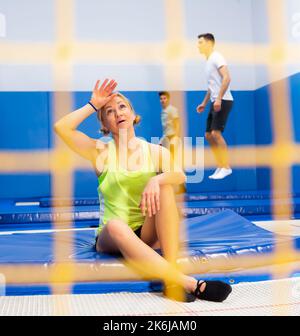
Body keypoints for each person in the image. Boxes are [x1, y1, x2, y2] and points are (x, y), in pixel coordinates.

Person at [54, 78, 232, 302]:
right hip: (113, 236)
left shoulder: (154, 151)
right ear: (104, 123)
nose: (118, 113)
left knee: (165, 185)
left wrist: (155, 181)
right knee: (117, 225)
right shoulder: (99, 151)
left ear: (131, 113)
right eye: (109, 111)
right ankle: (187, 282)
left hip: (148, 233)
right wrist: (93, 104)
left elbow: (179, 175)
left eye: (122, 107)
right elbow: (61, 127)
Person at [197, 33, 234, 180]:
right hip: (215, 101)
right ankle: (220, 165)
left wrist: (218, 98)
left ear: (209, 43)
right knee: (208, 135)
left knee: (216, 134)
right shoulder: (208, 62)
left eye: (200, 42)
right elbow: (211, 86)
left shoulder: (217, 56)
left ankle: (226, 167)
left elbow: (227, 77)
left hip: (224, 100)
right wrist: (204, 103)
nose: (197, 45)